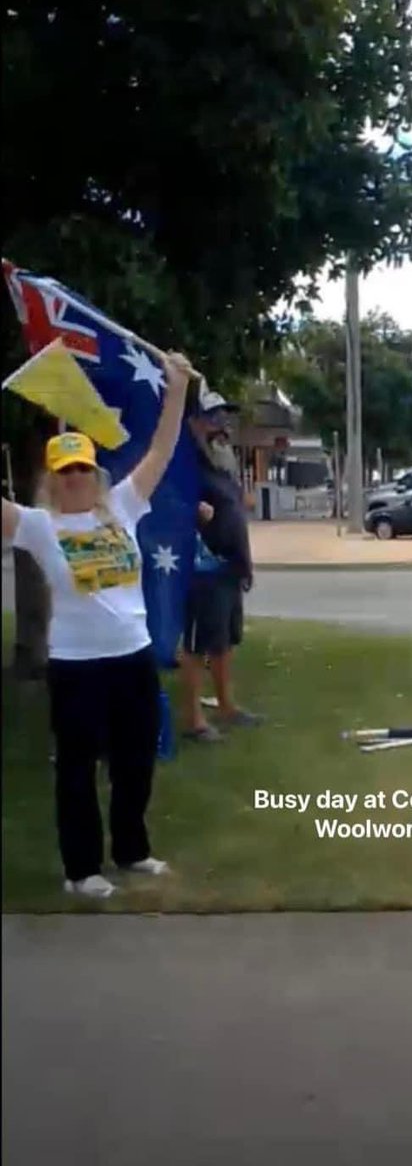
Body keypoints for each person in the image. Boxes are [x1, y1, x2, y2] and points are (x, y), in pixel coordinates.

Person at [1, 352, 194, 898]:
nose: (76, 478)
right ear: (52, 479)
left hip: (131, 656)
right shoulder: (40, 526)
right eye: (65, 471)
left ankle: (133, 851)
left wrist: (175, 389)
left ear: (96, 471)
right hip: (76, 666)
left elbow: (161, 449)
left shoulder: (122, 507)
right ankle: (81, 871)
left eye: (83, 467)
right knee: (78, 771)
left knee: (136, 762)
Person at [180, 388, 262, 740]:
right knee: (197, 647)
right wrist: (193, 511)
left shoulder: (222, 467)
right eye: (213, 418)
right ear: (195, 423)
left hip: (229, 568)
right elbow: (167, 506)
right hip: (203, 570)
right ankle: (194, 720)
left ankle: (227, 707)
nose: (221, 426)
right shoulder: (184, 465)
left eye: (224, 418)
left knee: (224, 642)